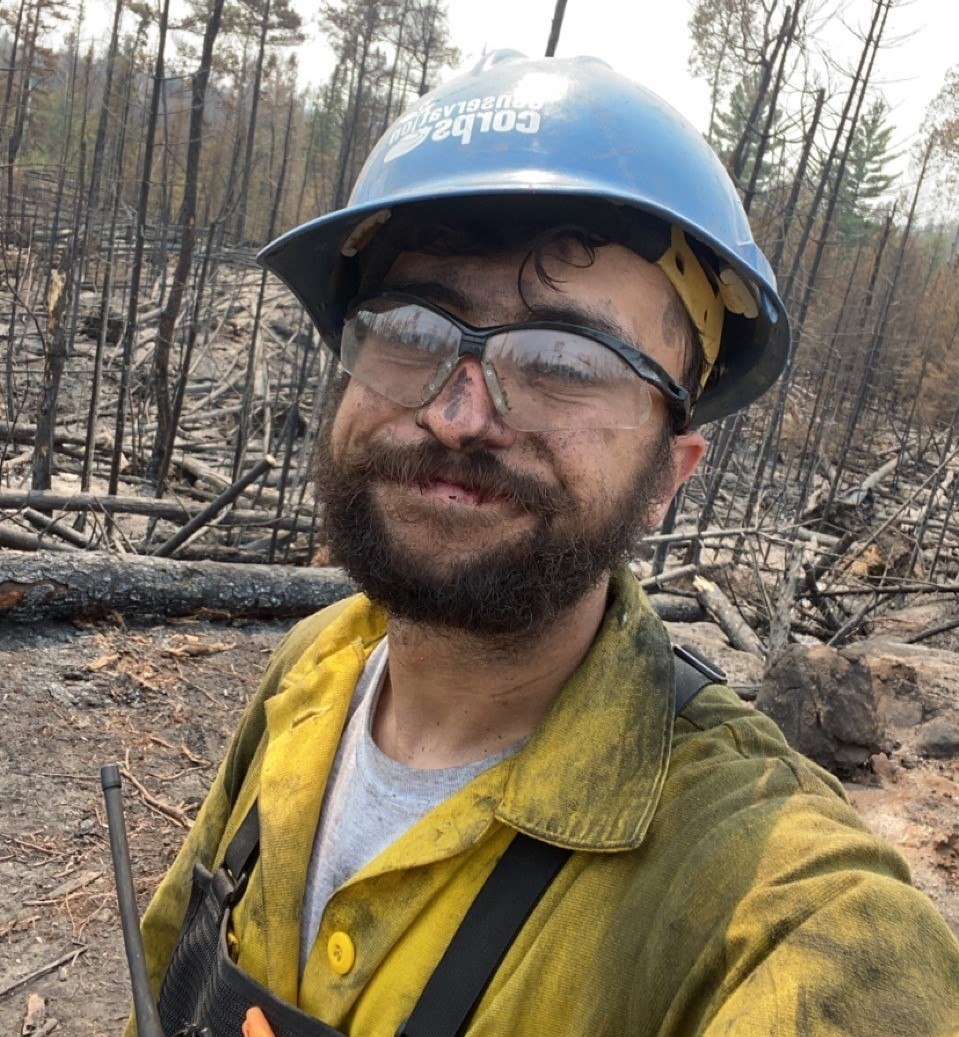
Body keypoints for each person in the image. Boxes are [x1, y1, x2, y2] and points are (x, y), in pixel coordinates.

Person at [127, 52, 959, 1037]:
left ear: (665, 472)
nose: (456, 411)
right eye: (408, 325)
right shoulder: (310, 670)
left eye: (563, 359)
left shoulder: (775, 908)